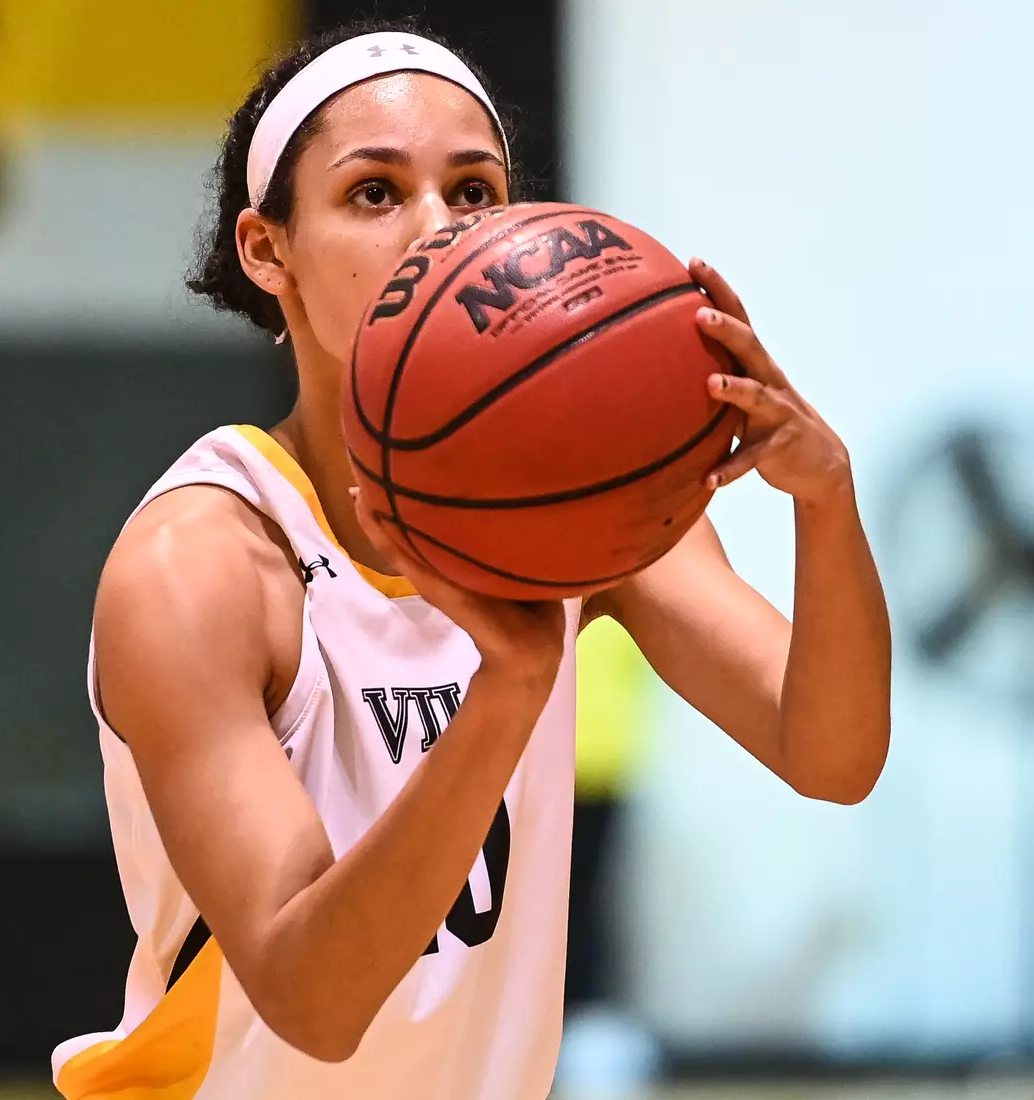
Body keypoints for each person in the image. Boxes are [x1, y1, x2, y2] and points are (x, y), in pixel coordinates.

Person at [51, 22, 892, 1100]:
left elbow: (831, 752)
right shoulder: (202, 560)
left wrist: (825, 505)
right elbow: (312, 1001)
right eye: (373, 193)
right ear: (269, 251)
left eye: (472, 190)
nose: (435, 230)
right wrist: (507, 691)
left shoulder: (580, 503)